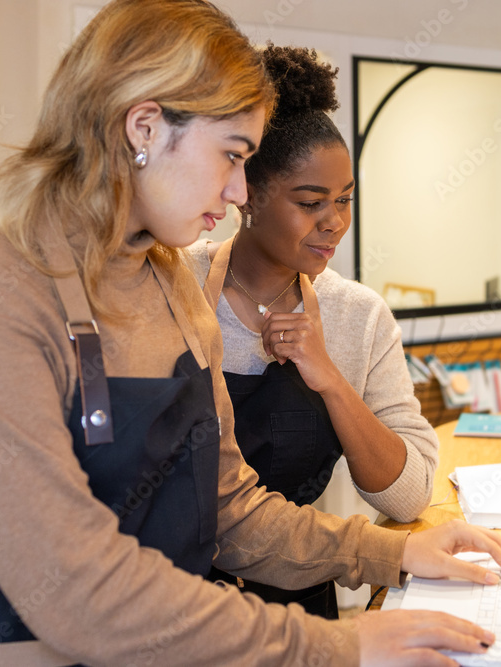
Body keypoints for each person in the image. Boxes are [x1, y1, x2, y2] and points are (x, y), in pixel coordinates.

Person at [0, 1, 501, 665]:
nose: (238, 193)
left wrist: (390, 551)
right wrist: (334, 644)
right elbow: (76, 586)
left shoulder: (168, 283)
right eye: (231, 155)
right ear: (144, 127)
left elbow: (231, 510)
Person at [186, 45, 439, 619]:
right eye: (310, 203)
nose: (335, 222)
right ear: (247, 194)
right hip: (181, 609)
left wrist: (328, 378)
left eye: (345, 200)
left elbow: (408, 495)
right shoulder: (174, 282)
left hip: (300, 604)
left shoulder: (359, 316)